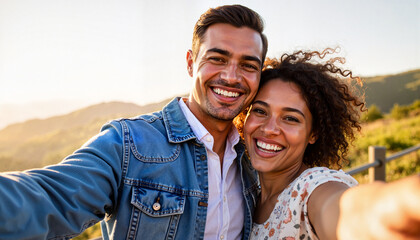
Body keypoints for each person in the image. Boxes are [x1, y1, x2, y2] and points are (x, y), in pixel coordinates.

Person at [0, 4, 268, 239]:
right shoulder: (128, 144)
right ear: (190, 63)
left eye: (248, 65)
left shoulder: (256, 159)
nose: (232, 77)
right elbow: (52, 198)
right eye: (217, 59)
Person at [234, 49, 420, 239]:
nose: (269, 128)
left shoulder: (311, 189)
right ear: (244, 117)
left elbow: (347, 212)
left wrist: (402, 205)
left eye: (290, 118)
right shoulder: (243, 191)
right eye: (260, 111)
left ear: (313, 133)